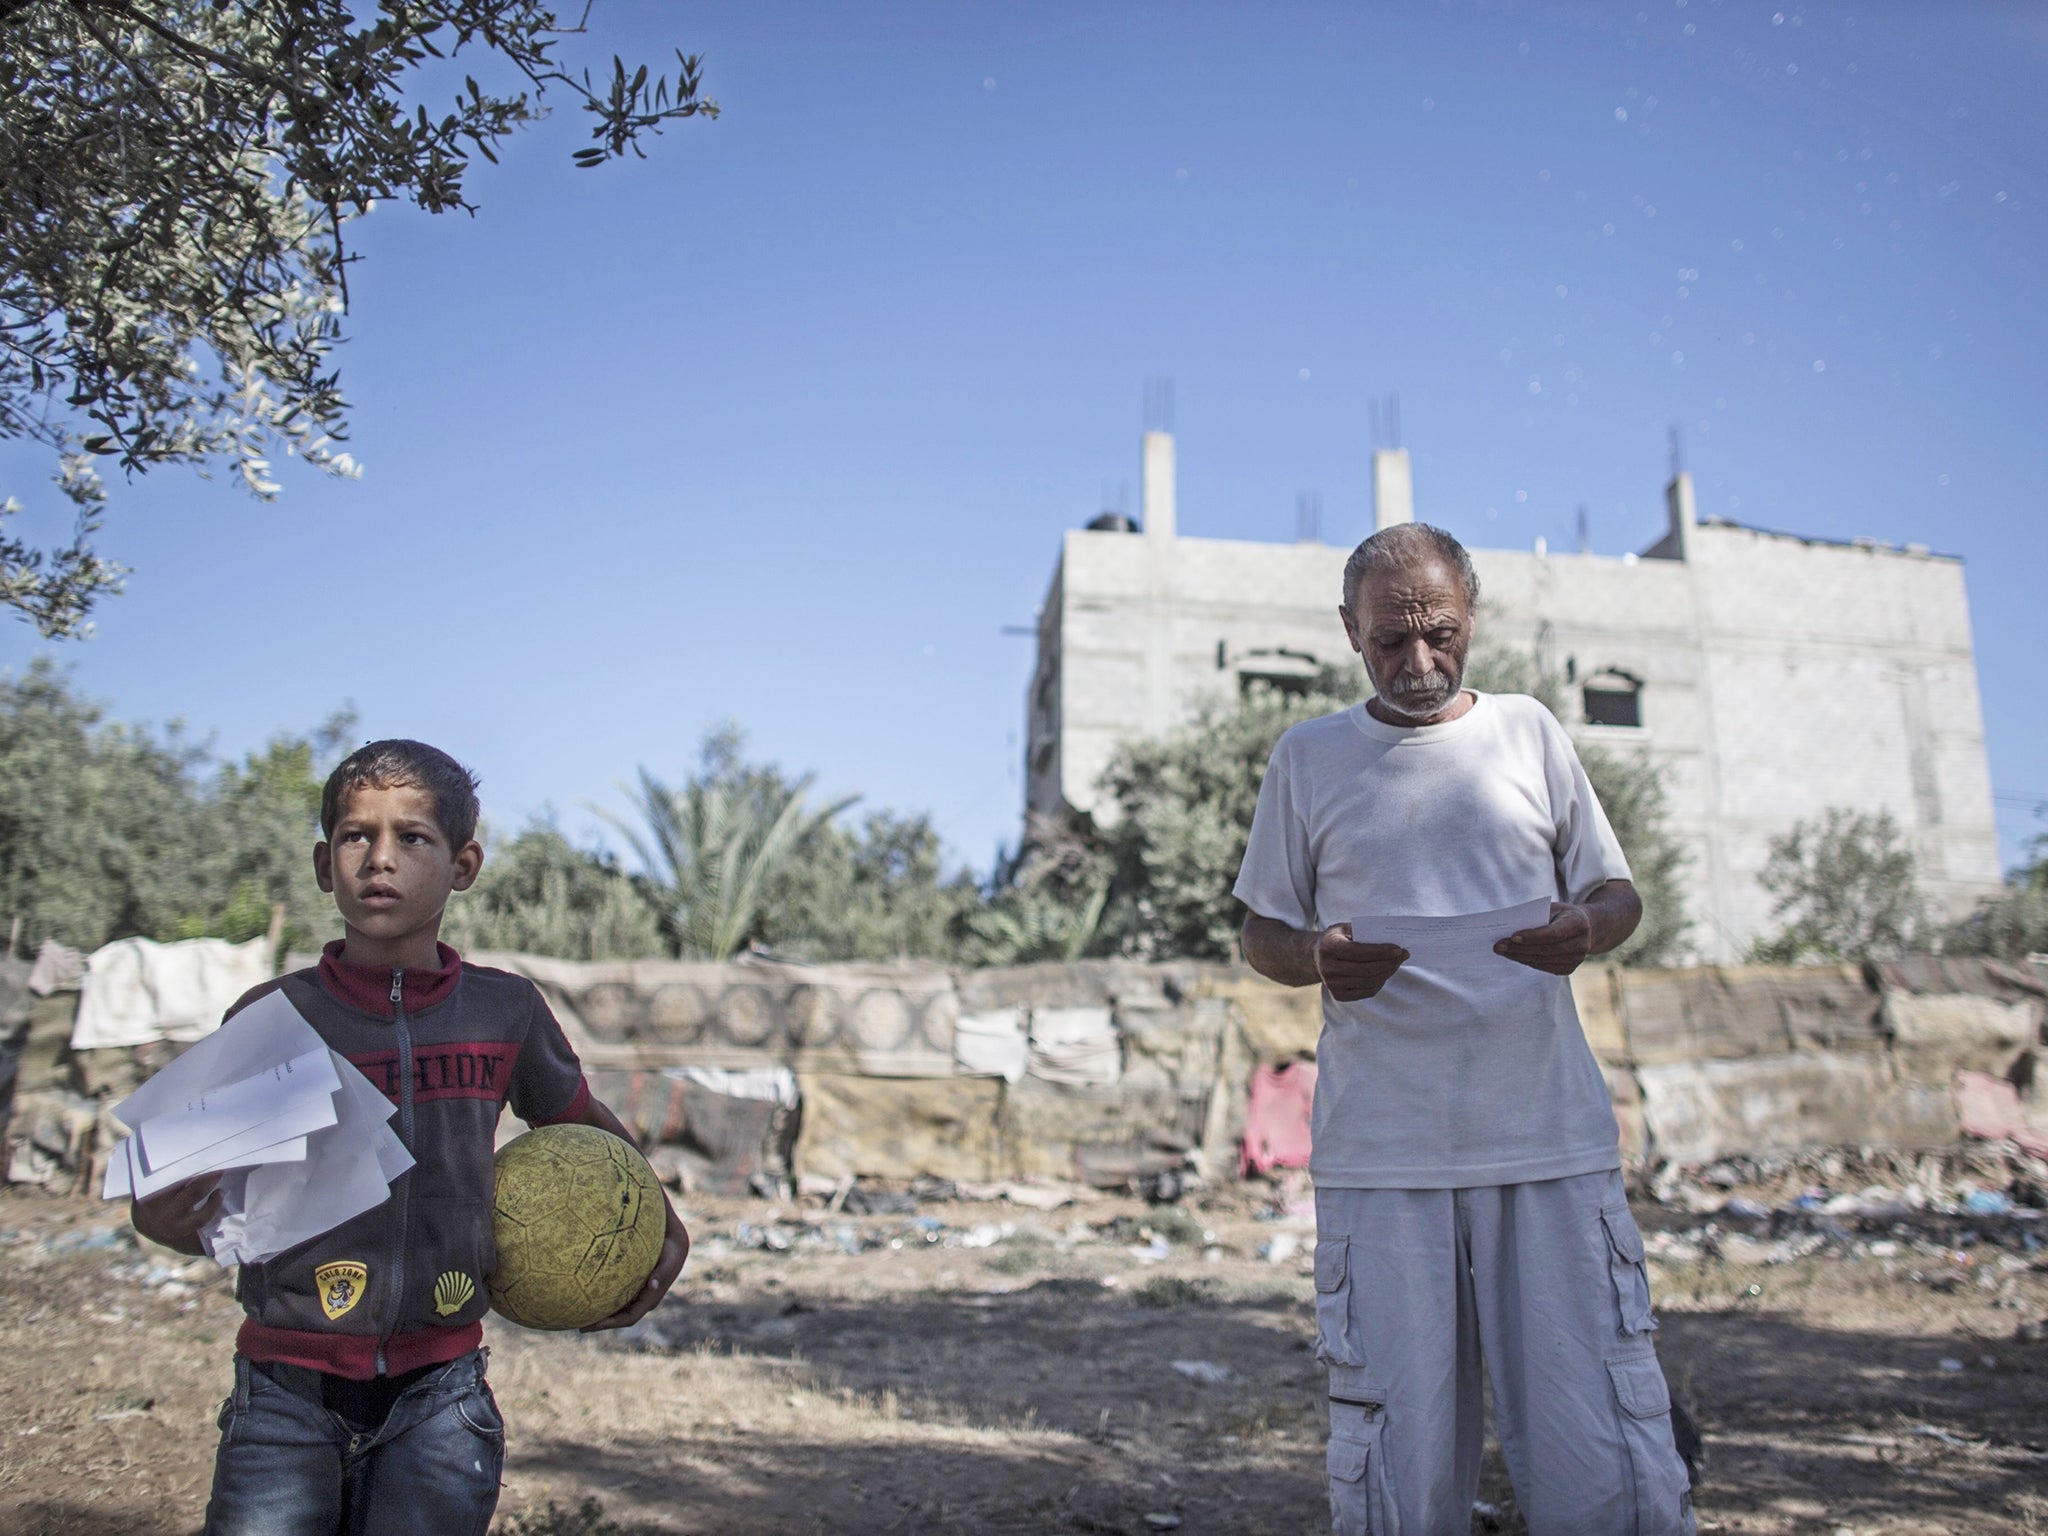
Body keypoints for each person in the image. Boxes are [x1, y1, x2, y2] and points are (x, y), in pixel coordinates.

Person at [1234, 525, 1695, 1536]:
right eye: (1388, 641)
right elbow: (1258, 932)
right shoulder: (1307, 757)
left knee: (1596, 1434)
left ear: (1470, 621)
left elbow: (1617, 897)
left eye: (1438, 635)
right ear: (1348, 632)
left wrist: (1582, 928)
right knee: (1396, 1448)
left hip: (1545, 1137)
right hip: (1383, 1152)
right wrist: (1314, 955)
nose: (1416, 663)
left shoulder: (1529, 733)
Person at [130, 739, 690, 1536]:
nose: (379, 859)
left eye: (412, 838)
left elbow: (582, 1129)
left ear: (464, 865)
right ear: (325, 864)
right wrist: (163, 1218)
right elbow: (186, 1209)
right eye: (357, 836)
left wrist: (660, 1221)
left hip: (442, 1393)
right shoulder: (271, 1018)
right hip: (285, 1388)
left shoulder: (506, 1012)